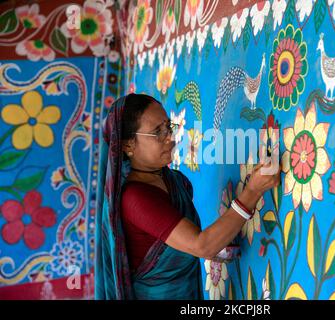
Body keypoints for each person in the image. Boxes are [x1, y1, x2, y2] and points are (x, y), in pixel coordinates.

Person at [95, 93, 280, 299]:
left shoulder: (172, 180)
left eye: (168, 127)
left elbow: (174, 244)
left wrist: (220, 241)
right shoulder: (135, 199)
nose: (170, 137)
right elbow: (202, 246)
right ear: (128, 145)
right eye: (158, 132)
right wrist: (252, 192)